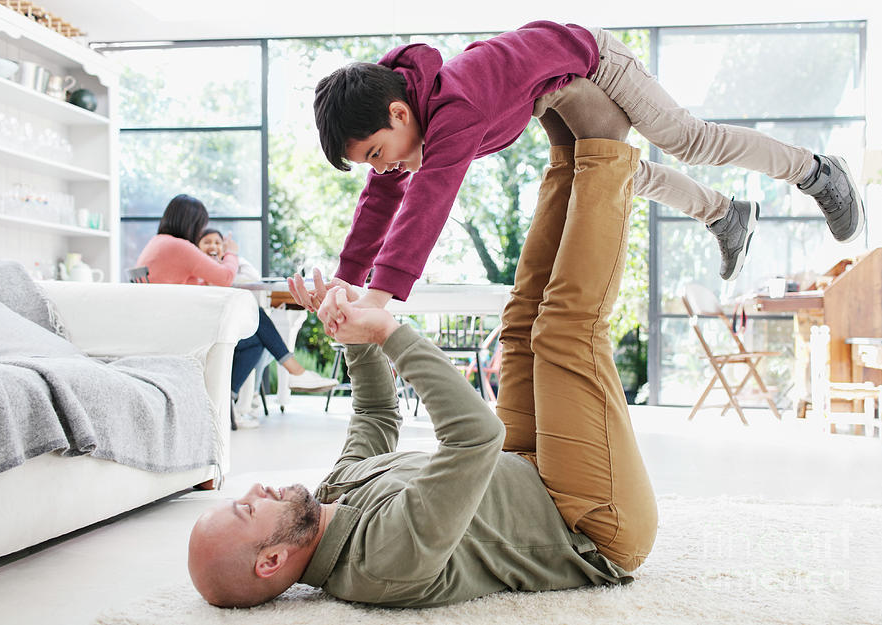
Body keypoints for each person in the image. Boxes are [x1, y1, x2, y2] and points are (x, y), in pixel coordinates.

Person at [187, 138, 657, 609]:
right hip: (588, 522)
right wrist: (389, 331)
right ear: (270, 561)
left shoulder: (330, 497)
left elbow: (374, 413)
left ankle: (567, 151)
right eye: (248, 508)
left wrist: (347, 329)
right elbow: (476, 437)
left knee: (520, 324)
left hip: (526, 466)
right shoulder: (383, 562)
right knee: (564, 332)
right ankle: (605, 145)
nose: (255, 489)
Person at [313, 21, 864, 292]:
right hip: (548, 94)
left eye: (376, 153)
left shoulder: (456, 105)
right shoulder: (411, 119)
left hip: (595, 62)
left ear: (399, 113)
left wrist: (380, 294)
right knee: (603, 173)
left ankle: (816, 172)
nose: (381, 169)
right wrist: (344, 280)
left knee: (687, 140)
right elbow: (381, 199)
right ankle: (724, 214)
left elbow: (426, 205)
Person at [136, 196, 338, 429]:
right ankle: (287, 374)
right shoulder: (178, 246)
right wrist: (231, 252)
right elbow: (224, 278)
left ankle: (226, 401)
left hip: (167, 324)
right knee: (255, 320)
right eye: (200, 225)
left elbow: (187, 286)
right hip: (180, 330)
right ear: (190, 223)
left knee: (255, 334)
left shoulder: (158, 243)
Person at [195, 227, 338, 423]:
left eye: (218, 243)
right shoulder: (200, 269)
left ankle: (229, 400)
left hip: (222, 330)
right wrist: (230, 255)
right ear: (197, 247)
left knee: (256, 341)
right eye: (207, 242)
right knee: (257, 315)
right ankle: (295, 371)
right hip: (206, 333)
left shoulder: (223, 267)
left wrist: (231, 257)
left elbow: (252, 276)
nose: (213, 246)